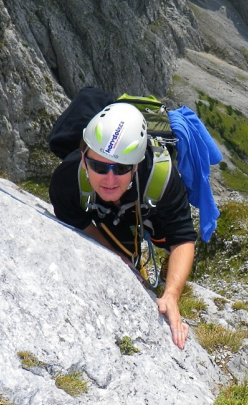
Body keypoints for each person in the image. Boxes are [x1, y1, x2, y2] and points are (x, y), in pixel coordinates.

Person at [49, 102, 196, 349]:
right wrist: (116, 255)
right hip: (109, 210)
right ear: (84, 160)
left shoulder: (162, 178)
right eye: (98, 166)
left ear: (136, 165)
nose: (109, 179)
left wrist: (171, 295)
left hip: (148, 204)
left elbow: (182, 238)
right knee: (124, 247)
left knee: (162, 238)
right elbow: (79, 220)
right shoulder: (66, 182)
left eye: (122, 168)